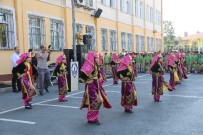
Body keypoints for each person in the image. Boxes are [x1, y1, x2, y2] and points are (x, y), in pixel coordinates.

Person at [80, 52, 111, 125]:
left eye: (98, 57)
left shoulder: (96, 66)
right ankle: (91, 118)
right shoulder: (89, 66)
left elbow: (98, 76)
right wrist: (88, 81)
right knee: (96, 101)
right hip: (91, 86)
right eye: (97, 57)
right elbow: (82, 76)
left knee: (96, 101)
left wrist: (99, 81)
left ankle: (92, 118)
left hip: (95, 85)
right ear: (93, 59)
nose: (98, 58)